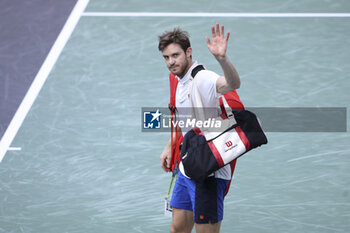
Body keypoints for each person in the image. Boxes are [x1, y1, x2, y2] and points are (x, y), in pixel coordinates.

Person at [158, 24, 241, 233]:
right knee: (178, 229)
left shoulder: (202, 79)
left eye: (175, 55)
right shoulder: (178, 79)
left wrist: (222, 59)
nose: (171, 62)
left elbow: (232, 84)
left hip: (209, 173)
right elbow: (183, 118)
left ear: (189, 52)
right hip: (188, 167)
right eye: (166, 57)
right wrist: (171, 143)